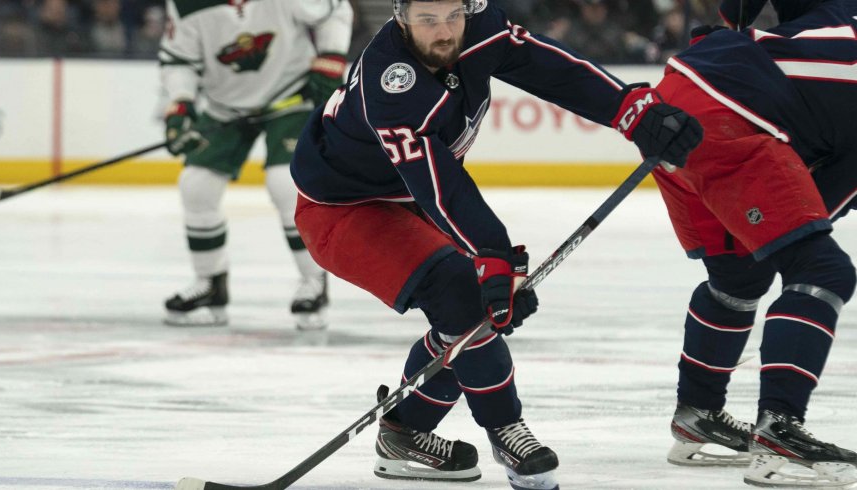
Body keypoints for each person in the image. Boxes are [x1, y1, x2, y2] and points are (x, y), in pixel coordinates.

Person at [290, 0, 702, 487]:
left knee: (476, 311)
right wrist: (493, 253)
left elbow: (545, 66)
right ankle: (507, 429)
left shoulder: (479, 24)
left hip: (416, 198)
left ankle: (405, 431)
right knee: (462, 294)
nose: (444, 33)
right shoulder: (391, 83)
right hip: (344, 208)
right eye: (427, 20)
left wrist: (628, 108)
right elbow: (436, 181)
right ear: (400, 18)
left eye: (452, 17)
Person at [651, 0, 857, 487]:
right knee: (822, 270)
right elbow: (820, 202)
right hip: (728, 118)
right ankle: (779, 429)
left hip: (675, 97)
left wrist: (733, 24)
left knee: (737, 275)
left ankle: (697, 414)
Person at [158, 0, 353, 328]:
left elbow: (336, 9)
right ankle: (210, 285)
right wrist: (181, 103)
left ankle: (313, 280)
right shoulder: (185, 4)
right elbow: (179, 58)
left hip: (290, 96)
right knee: (196, 185)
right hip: (225, 106)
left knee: (285, 183)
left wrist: (330, 58)